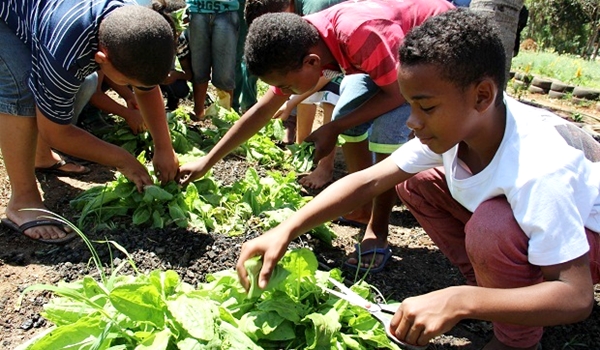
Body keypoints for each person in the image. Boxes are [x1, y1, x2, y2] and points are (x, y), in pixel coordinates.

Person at [235, 9, 600, 349]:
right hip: (545, 234)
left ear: (482, 96)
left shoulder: (538, 166)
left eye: (424, 107)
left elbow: (575, 296)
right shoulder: (467, 125)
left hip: (587, 241)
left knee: (493, 227)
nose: (411, 121)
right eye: (409, 104)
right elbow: (368, 181)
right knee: (416, 181)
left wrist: (461, 301)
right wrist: (287, 229)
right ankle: (496, 291)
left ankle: (514, 339)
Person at [179, 0, 453, 272]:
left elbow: (396, 94)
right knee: (347, 115)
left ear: (312, 62)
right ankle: (363, 205)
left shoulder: (358, 34)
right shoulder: (298, 45)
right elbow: (262, 111)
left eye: (286, 86)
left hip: (436, 51)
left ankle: (377, 229)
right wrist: (207, 161)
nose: (284, 92)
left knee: (386, 130)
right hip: (388, 54)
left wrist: (332, 128)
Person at [0, 0, 180, 243]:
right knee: (21, 88)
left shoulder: (132, 22)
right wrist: (123, 160)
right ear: (101, 59)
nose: (136, 88)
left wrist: (164, 147)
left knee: (54, 87)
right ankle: (22, 201)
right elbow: (56, 132)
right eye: (129, 82)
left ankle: (39, 157)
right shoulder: (64, 52)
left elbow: (147, 88)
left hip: (43, 12)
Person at [244, 0, 347, 190]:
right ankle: (303, 146)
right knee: (303, 85)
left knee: (332, 96)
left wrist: (290, 103)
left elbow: (328, 73)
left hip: (371, 55)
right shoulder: (301, 27)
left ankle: (326, 168)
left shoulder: (317, 13)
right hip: (333, 62)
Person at [186, 0, 239, 120]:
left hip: (226, 11)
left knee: (225, 73)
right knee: (198, 67)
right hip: (196, 10)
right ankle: (198, 113)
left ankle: (225, 118)